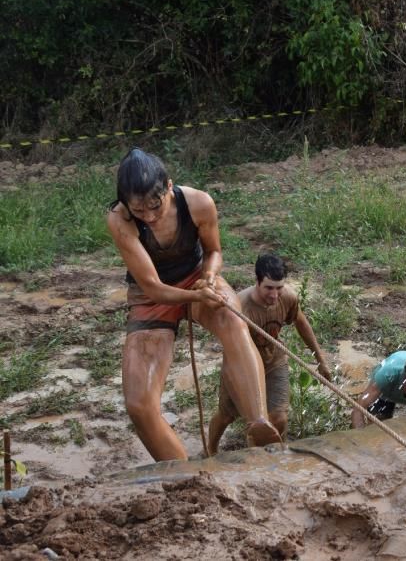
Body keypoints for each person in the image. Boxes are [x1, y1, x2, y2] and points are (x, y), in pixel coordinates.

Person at [106, 148, 280, 462]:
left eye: (154, 205)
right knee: (139, 404)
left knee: (232, 317)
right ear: (126, 204)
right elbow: (153, 288)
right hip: (151, 297)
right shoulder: (120, 220)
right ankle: (182, 473)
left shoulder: (199, 203)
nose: (148, 216)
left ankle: (258, 421)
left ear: (168, 187)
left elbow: (214, 251)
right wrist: (197, 297)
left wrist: (210, 279)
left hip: (196, 278)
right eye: (139, 210)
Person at [207, 254, 333, 454]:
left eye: (279, 287)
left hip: (274, 362)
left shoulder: (288, 298)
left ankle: (276, 456)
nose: (275, 295)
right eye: (269, 288)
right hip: (242, 367)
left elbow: (301, 323)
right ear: (256, 281)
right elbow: (230, 346)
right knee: (228, 416)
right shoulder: (239, 306)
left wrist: (320, 359)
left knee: (279, 417)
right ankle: (210, 450)